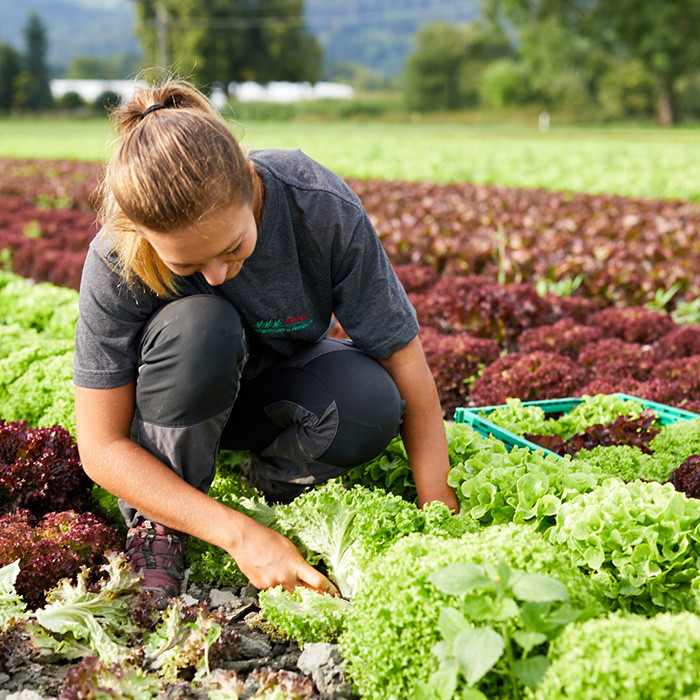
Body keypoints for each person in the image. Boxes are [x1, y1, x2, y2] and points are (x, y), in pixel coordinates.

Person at [73, 78, 458, 601]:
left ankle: (268, 486)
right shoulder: (116, 258)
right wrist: (240, 536)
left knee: (371, 401)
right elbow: (100, 448)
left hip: (273, 397)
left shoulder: (317, 208)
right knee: (205, 323)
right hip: (176, 402)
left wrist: (439, 513)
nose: (216, 275)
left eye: (233, 247)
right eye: (185, 263)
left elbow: (407, 365)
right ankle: (160, 525)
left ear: (249, 179)